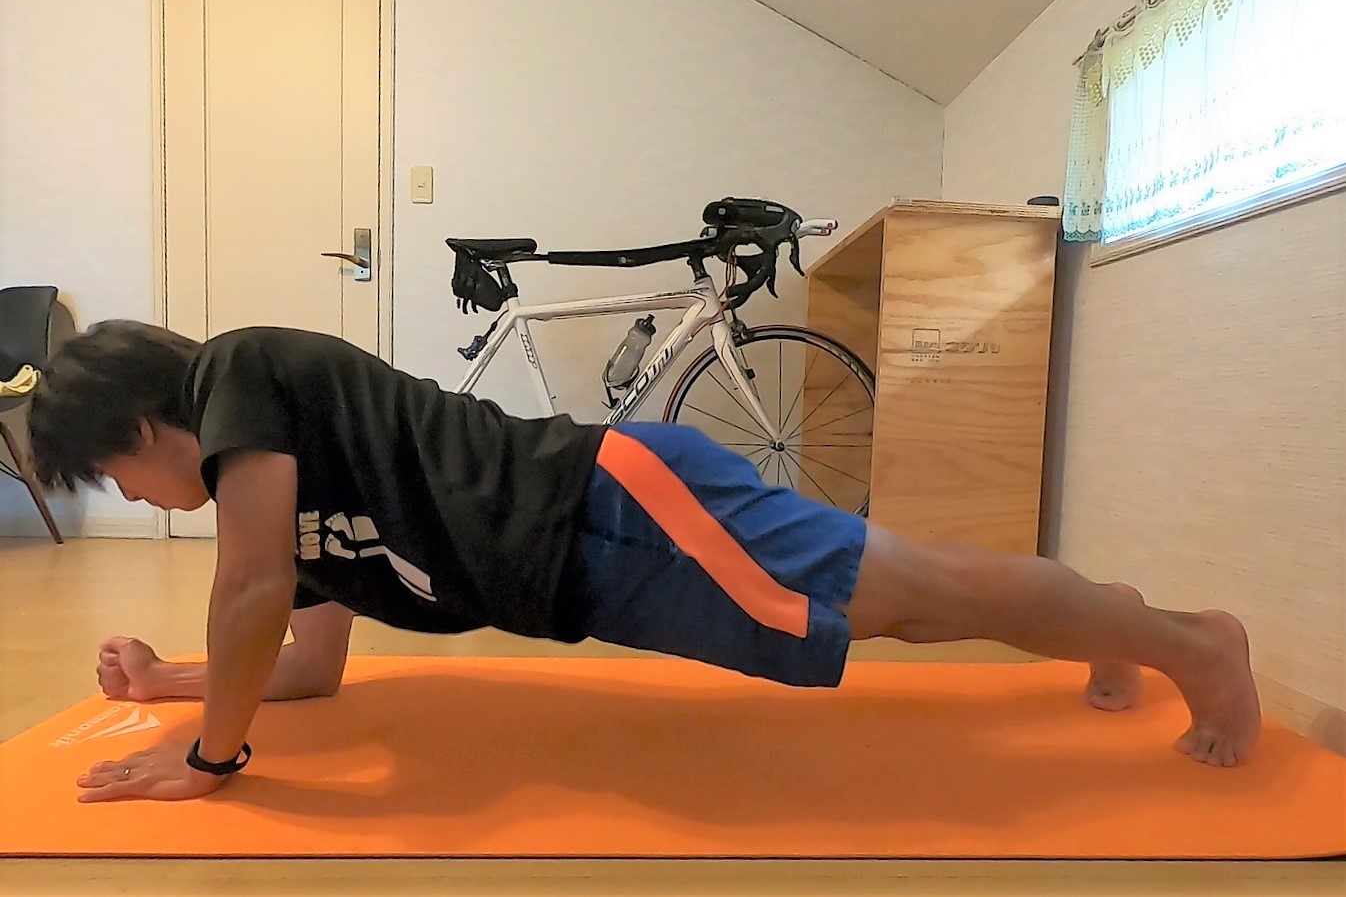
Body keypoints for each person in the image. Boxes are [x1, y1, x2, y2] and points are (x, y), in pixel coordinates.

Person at [28, 321, 1261, 803]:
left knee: (913, 600)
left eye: (116, 475)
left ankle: (1191, 643)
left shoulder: (241, 373)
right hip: (603, 566)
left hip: (618, 508)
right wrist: (173, 682)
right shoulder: (291, 512)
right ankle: (1116, 619)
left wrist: (211, 760)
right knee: (903, 604)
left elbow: (246, 591)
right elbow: (305, 665)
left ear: (141, 425)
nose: (133, 499)